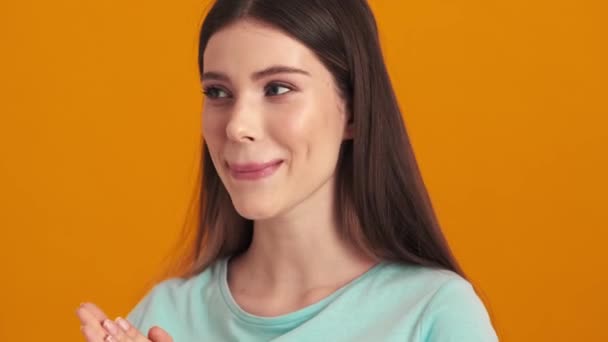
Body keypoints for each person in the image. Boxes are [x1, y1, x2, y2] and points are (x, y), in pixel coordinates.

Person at [76, 0, 499, 341]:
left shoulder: (434, 313)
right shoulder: (161, 314)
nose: (237, 126)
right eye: (217, 92)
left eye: (278, 88)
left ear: (352, 110)